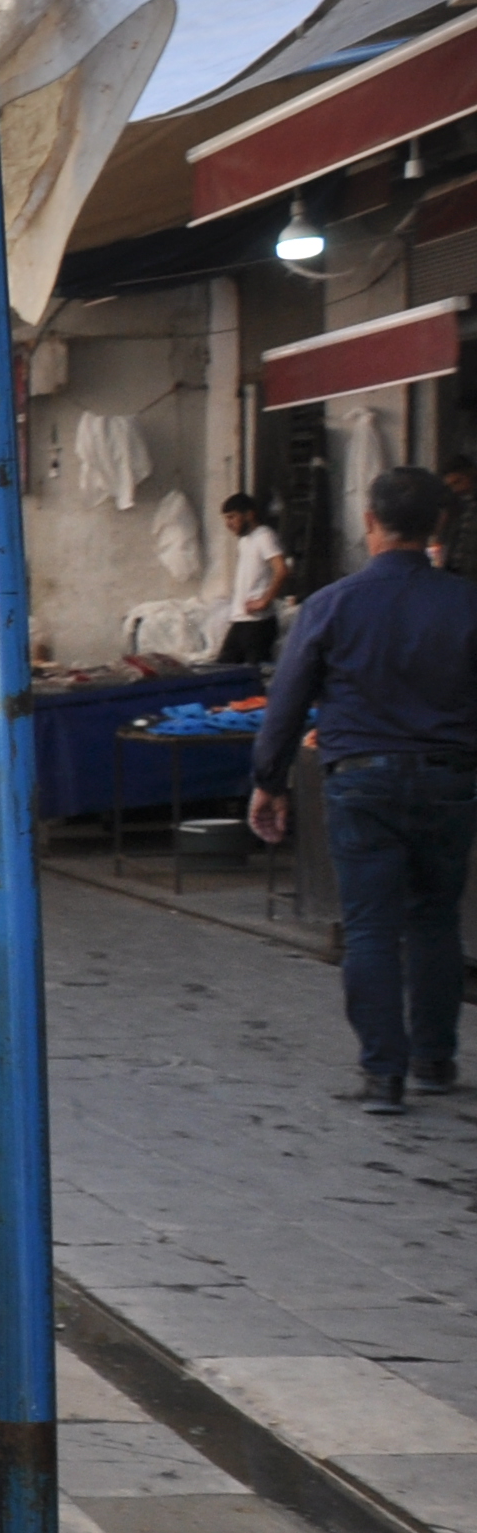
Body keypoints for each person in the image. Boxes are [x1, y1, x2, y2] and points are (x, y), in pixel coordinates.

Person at [249, 467, 477, 1110]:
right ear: (438, 525)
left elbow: (286, 703)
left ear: (369, 522)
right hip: (449, 779)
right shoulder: (466, 603)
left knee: (372, 928)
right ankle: (436, 1060)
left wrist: (268, 781)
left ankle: (384, 1076)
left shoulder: (330, 605)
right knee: (436, 919)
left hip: (361, 781)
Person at [218, 495, 288, 668]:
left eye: (232, 517)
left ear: (249, 515)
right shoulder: (244, 541)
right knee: (222, 669)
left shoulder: (264, 536)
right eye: (226, 518)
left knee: (255, 676)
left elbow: (281, 569)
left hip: (258, 623)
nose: (229, 524)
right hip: (241, 620)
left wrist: (265, 600)